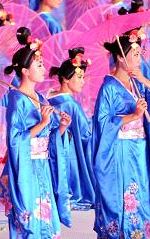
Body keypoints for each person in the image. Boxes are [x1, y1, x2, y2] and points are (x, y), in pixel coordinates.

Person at [93, 33, 150, 237]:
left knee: (142, 198)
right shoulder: (108, 88)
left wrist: (144, 81)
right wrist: (133, 116)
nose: (140, 58)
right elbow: (102, 125)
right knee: (124, 200)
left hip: (140, 151)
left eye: (141, 53)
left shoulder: (138, 85)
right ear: (121, 57)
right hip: (121, 153)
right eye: (135, 54)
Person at [0, 27, 72, 238]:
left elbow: (50, 136)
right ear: (25, 71)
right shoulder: (16, 100)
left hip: (42, 167)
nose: (43, 67)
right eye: (38, 64)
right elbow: (15, 141)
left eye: (42, 63)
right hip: (26, 169)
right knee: (29, 217)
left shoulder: (41, 98)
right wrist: (43, 122)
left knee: (45, 217)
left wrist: (61, 127)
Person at [47, 47, 95, 210]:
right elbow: (85, 134)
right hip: (68, 150)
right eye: (79, 77)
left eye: (83, 77)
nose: (83, 81)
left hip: (52, 147)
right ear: (65, 79)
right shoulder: (70, 103)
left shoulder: (48, 96)